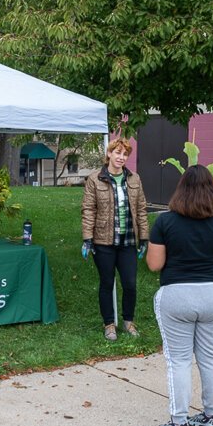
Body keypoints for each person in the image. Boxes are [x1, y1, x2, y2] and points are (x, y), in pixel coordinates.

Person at [146, 165, 213, 426]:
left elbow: (154, 265)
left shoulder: (165, 222)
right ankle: (210, 417)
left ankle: (178, 424)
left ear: (181, 189)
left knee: (179, 360)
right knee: (211, 357)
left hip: (177, 295)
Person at [81, 138, 149, 341]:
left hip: (128, 241)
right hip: (103, 242)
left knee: (130, 283)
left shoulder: (134, 179)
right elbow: (88, 210)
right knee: (107, 283)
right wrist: (87, 238)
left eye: (125, 154)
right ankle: (109, 324)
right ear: (109, 154)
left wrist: (144, 237)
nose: (121, 157)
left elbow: (142, 210)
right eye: (117, 152)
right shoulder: (95, 179)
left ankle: (129, 321)